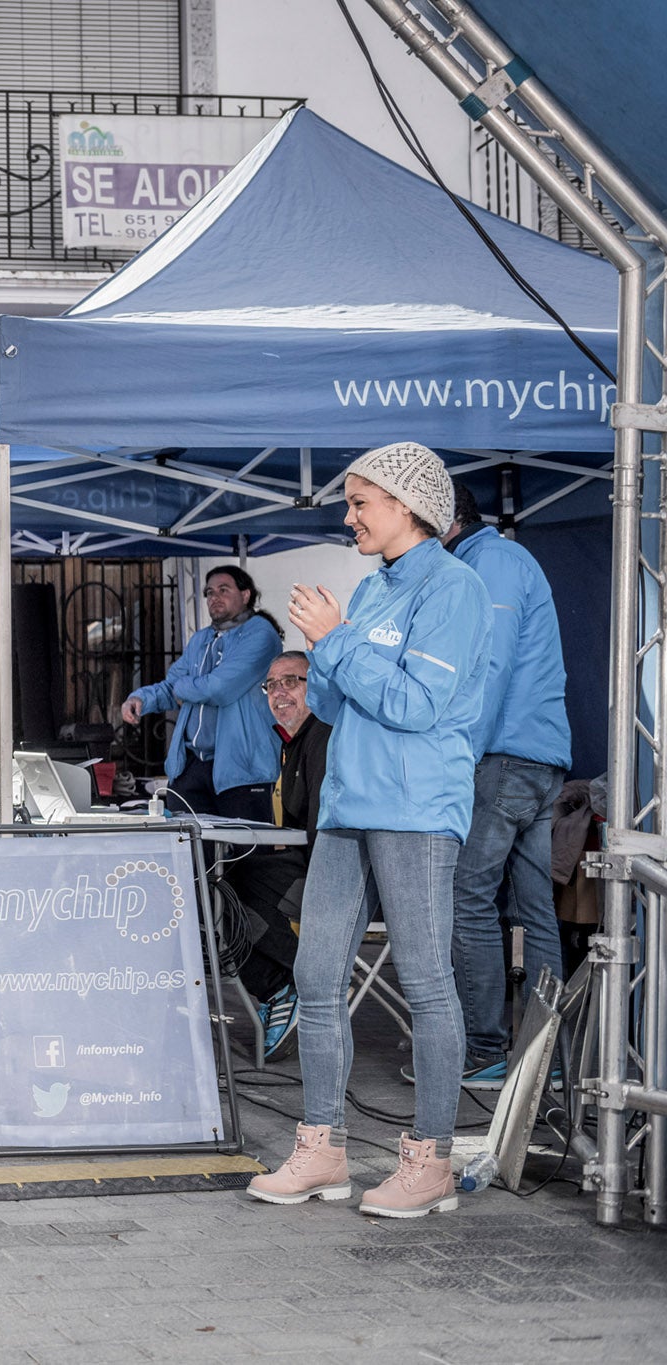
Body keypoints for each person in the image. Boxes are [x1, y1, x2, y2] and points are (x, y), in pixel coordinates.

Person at [249, 442, 490, 1219]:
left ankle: (431, 1160)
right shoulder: (374, 588)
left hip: (416, 807)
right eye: (349, 502)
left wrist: (338, 640)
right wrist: (330, 646)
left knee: (424, 982)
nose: (348, 515)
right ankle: (322, 1149)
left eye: (361, 502)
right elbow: (328, 693)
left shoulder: (456, 589)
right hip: (350, 805)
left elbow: (417, 704)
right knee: (316, 977)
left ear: (409, 505)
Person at [442, 479, 572, 1089]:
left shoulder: (488, 562)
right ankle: (543, 1058)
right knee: (535, 914)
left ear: (443, 520)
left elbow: (487, 667)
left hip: (504, 757)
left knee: (467, 900)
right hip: (538, 759)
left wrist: (459, 752)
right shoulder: (505, 557)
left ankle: (485, 1050)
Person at [219, 650, 329, 1061]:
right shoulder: (291, 743)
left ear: (315, 686)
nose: (279, 692)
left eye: (291, 681)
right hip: (301, 863)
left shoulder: (323, 736)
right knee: (215, 881)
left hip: (334, 873)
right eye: (271, 685)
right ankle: (279, 986)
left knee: (229, 883)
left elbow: (322, 831)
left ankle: (297, 980)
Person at [120, 565, 283, 822]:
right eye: (209, 592)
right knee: (190, 854)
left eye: (223, 590)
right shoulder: (201, 639)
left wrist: (185, 687)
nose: (214, 597)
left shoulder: (260, 633)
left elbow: (219, 689)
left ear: (246, 595)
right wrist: (141, 698)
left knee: (249, 855)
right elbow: (172, 685)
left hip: (241, 767)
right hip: (192, 764)